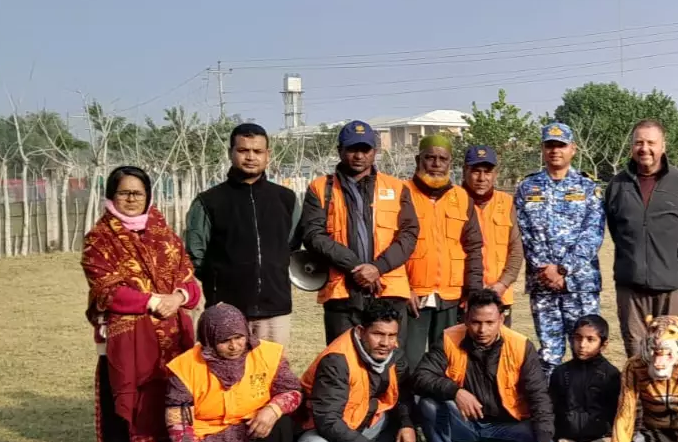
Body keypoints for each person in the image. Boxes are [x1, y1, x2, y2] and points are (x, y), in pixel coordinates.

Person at [82, 165, 202, 442]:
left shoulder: (166, 235)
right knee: (126, 405)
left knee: (167, 403)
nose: (132, 199)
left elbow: (190, 284)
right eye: (125, 193)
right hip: (127, 343)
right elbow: (106, 290)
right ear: (112, 196)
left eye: (138, 193)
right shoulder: (99, 239)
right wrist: (151, 301)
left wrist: (178, 297)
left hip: (172, 340)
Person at [414, 289, 557, 442]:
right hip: (464, 422)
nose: (482, 330)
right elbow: (421, 376)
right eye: (475, 322)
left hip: (508, 426)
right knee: (428, 405)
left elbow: (539, 397)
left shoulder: (521, 346)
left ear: (501, 320)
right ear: (466, 319)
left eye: (490, 322)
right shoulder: (449, 338)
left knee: (541, 435)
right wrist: (455, 391)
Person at [164, 304, 302, 442]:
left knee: (282, 422)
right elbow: (179, 424)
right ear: (209, 339)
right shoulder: (185, 367)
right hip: (207, 441)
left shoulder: (268, 354)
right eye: (224, 341)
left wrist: (272, 410)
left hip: (252, 430)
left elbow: (293, 391)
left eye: (239, 337)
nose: (234, 346)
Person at [298, 120, 420, 345]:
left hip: (388, 291)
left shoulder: (396, 187)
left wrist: (377, 268)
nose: (359, 156)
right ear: (340, 151)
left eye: (365, 149)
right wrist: (356, 267)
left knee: (389, 359)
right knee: (342, 357)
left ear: (375, 151)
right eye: (352, 149)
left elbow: (409, 234)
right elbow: (313, 234)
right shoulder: (321, 188)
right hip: (342, 294)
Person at [184, 123, 299, 343]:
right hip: (225, 309)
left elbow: (291, 245)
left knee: (271, 365)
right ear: (231, 153)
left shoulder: (286, 199)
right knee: (224, 364)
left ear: (268, 155)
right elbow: (195, 254)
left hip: (275, 309)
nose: (250, 157)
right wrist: (220, 285)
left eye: (257, 151)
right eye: (243, 150)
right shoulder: (209, 201)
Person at [296, 302, 417, 442]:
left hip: (357, 418)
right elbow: (327, 420)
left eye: (392, 335)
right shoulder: (337, 359)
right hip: (318, 427)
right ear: (361, 331)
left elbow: (402, 393)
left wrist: (407, 424)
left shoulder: (394, 352)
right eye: (378, 334)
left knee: (411, 406)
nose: (386, 343)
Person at [515, 122, 605, 371]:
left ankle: (586, 398)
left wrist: (564, 269)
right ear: (542, 149)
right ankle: (551, 397)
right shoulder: (527, 187)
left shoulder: (588, 187)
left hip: (580, 285)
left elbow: (593, 234)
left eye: (561, 145)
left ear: (572, 149)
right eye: (550, 145)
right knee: (549, 355)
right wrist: (546, 271)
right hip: (543, 284)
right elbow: (524, 233)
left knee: (586, 352)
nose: (555, 150)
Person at [604, 119, 678, 358]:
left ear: (663, 146)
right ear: (631, 147)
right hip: (630, 286)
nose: (644, 148)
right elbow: (615, 229)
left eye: (651, 143)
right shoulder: (617, 185)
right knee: (637, 353)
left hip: (672, 286)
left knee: (670, 353)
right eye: (639, 143)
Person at [402, 134, 483, 373]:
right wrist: (403, 287)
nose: (436, 164)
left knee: (447, 363)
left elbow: (474, 247)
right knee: (410, 363)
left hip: (451, 297)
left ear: (450, 163)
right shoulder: (401, 193)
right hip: (413, 297)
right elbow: (389, 244)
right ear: (418, 160)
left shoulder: (462, 198)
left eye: (443, 159)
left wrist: (473, 293)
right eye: (430, 158)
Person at [545, 314, 621, 442]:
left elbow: (618, 413)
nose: (582, 345)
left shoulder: (611, 375)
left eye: (590, 339)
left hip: (599, 439)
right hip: (568, 440)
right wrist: (550, 440)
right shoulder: (561, 372)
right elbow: (551, 407)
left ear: (604, 344)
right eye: (578, 338)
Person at [463, 145, 523, 312]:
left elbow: (516, 249)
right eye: (476, 171)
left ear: (495, 174)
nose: (482, 178)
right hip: (462, 297)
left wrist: (502, 284)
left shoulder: (506, 202)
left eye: (487, 172)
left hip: (499, 294)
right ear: (465, 171)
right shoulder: (454, 201)